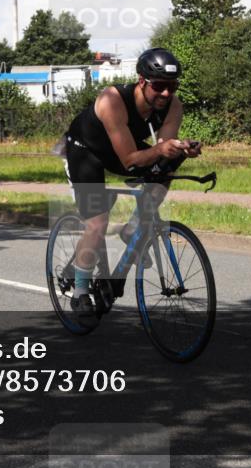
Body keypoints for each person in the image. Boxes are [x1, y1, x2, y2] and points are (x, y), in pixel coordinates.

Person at [62, 48, 201, 326]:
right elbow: (129, 159)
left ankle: (133, 229)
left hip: (119, 149)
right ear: (142, 81)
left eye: (171, 87)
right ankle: (79, 290)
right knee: (98, 222)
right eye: (159, 86)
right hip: (85, 151)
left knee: (166, 167)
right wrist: (162, 149)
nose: (165, 94)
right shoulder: (112, 100)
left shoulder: (173, 105)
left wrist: (179, 150)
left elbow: (161, 153)